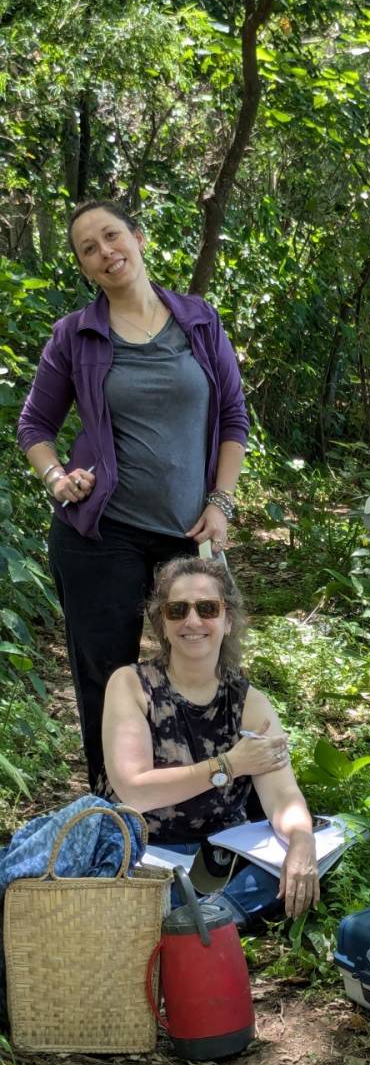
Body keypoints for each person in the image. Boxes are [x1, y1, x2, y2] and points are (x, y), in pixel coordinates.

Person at [17, 200, 249, 792]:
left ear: (138, 238)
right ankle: (112, 806)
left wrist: (221, 502)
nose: (105, 252)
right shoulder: (75, 335)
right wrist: (57, 479)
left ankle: (205, 798)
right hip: (101, 534)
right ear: (84, 267)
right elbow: (34, 426)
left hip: (186, 534)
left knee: (200, 663)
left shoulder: (199, 322)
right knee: (107, 676)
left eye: (112, 236)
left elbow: (232, 417)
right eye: (88, 249)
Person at [102, 555, 320, 923]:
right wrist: (229, 765)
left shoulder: (249, 702)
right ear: (162, 622)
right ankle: (211, 919)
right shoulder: (132, 684)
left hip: (222, 860)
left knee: (309, 854)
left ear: (227, 619)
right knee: (149, 893)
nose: (192, 621)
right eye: (177, 610)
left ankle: (195, 919)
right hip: (144, 856)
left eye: (207, 608)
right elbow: (135, 791)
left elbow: (282, 795)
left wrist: (302, 841)